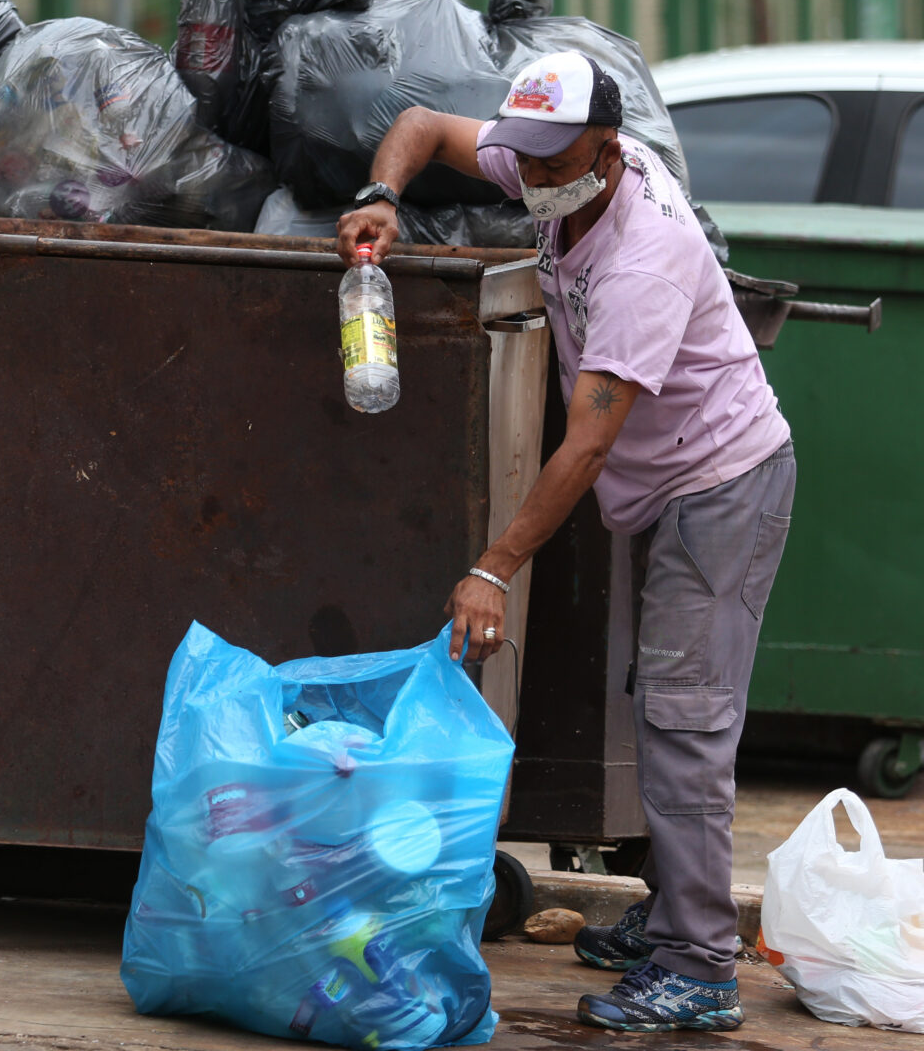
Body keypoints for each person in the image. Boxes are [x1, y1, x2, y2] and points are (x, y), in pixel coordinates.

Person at [337, 51, 797, 1034]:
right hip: (671, 486)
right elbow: (421, 123)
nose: (535, 178)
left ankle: (700, 966)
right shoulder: (545, 164)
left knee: (684, 724)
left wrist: (491, 565)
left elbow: (588, 443)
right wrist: (383, 194)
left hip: (716, 487)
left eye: (554, 162)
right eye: (527, 160)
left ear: (605, 143)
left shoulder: (645, 259)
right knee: (668, 708)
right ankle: (676, 916)